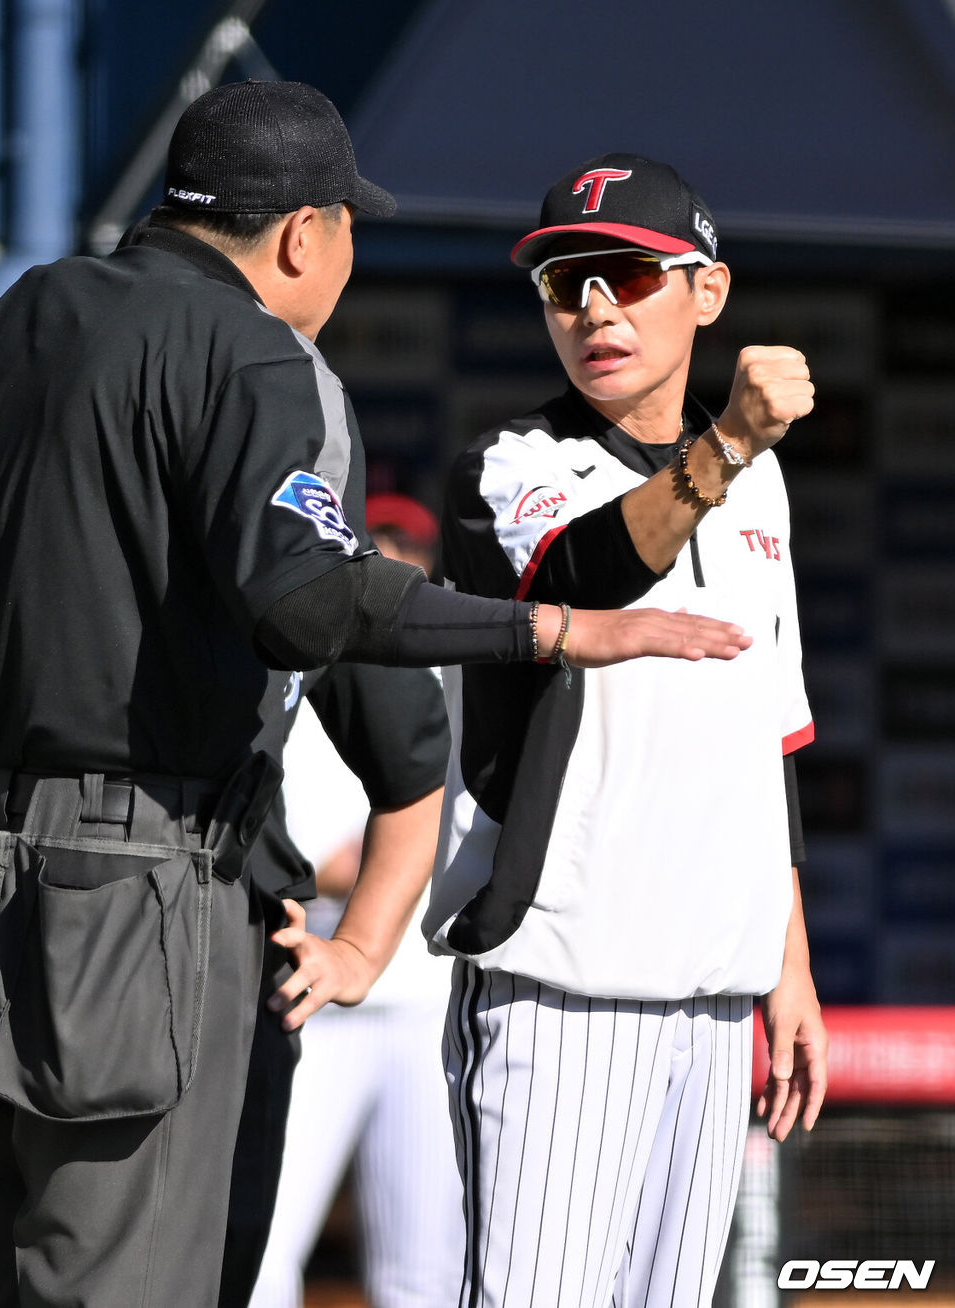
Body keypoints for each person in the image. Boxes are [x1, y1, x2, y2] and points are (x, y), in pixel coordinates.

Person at [0, 79, 750, 1306]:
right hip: (133, 893)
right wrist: (556, 625)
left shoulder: (26, 316)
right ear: (305, 233)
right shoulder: (258, 352)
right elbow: (310, 602)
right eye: (349, 226)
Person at [422, 153, 830, 1308]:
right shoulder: (507, 465)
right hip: (562, 985)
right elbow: (581, 577)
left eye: (625, 275)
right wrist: (729, 447)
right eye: (564, 285)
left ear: (708, 292)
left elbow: (774, 735)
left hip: (713, 995)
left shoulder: (759, 489)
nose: (593, 308)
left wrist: (785, 969)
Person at [249, 495, 462, 1308]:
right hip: (313, 988)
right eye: (380, 552)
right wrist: (358, 867)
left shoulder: (455, 672)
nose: (395, 566)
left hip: (424, 996)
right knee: (263, 1243)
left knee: (425, 1271)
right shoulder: (298, 667)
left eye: (410, 553)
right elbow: (299, 851)